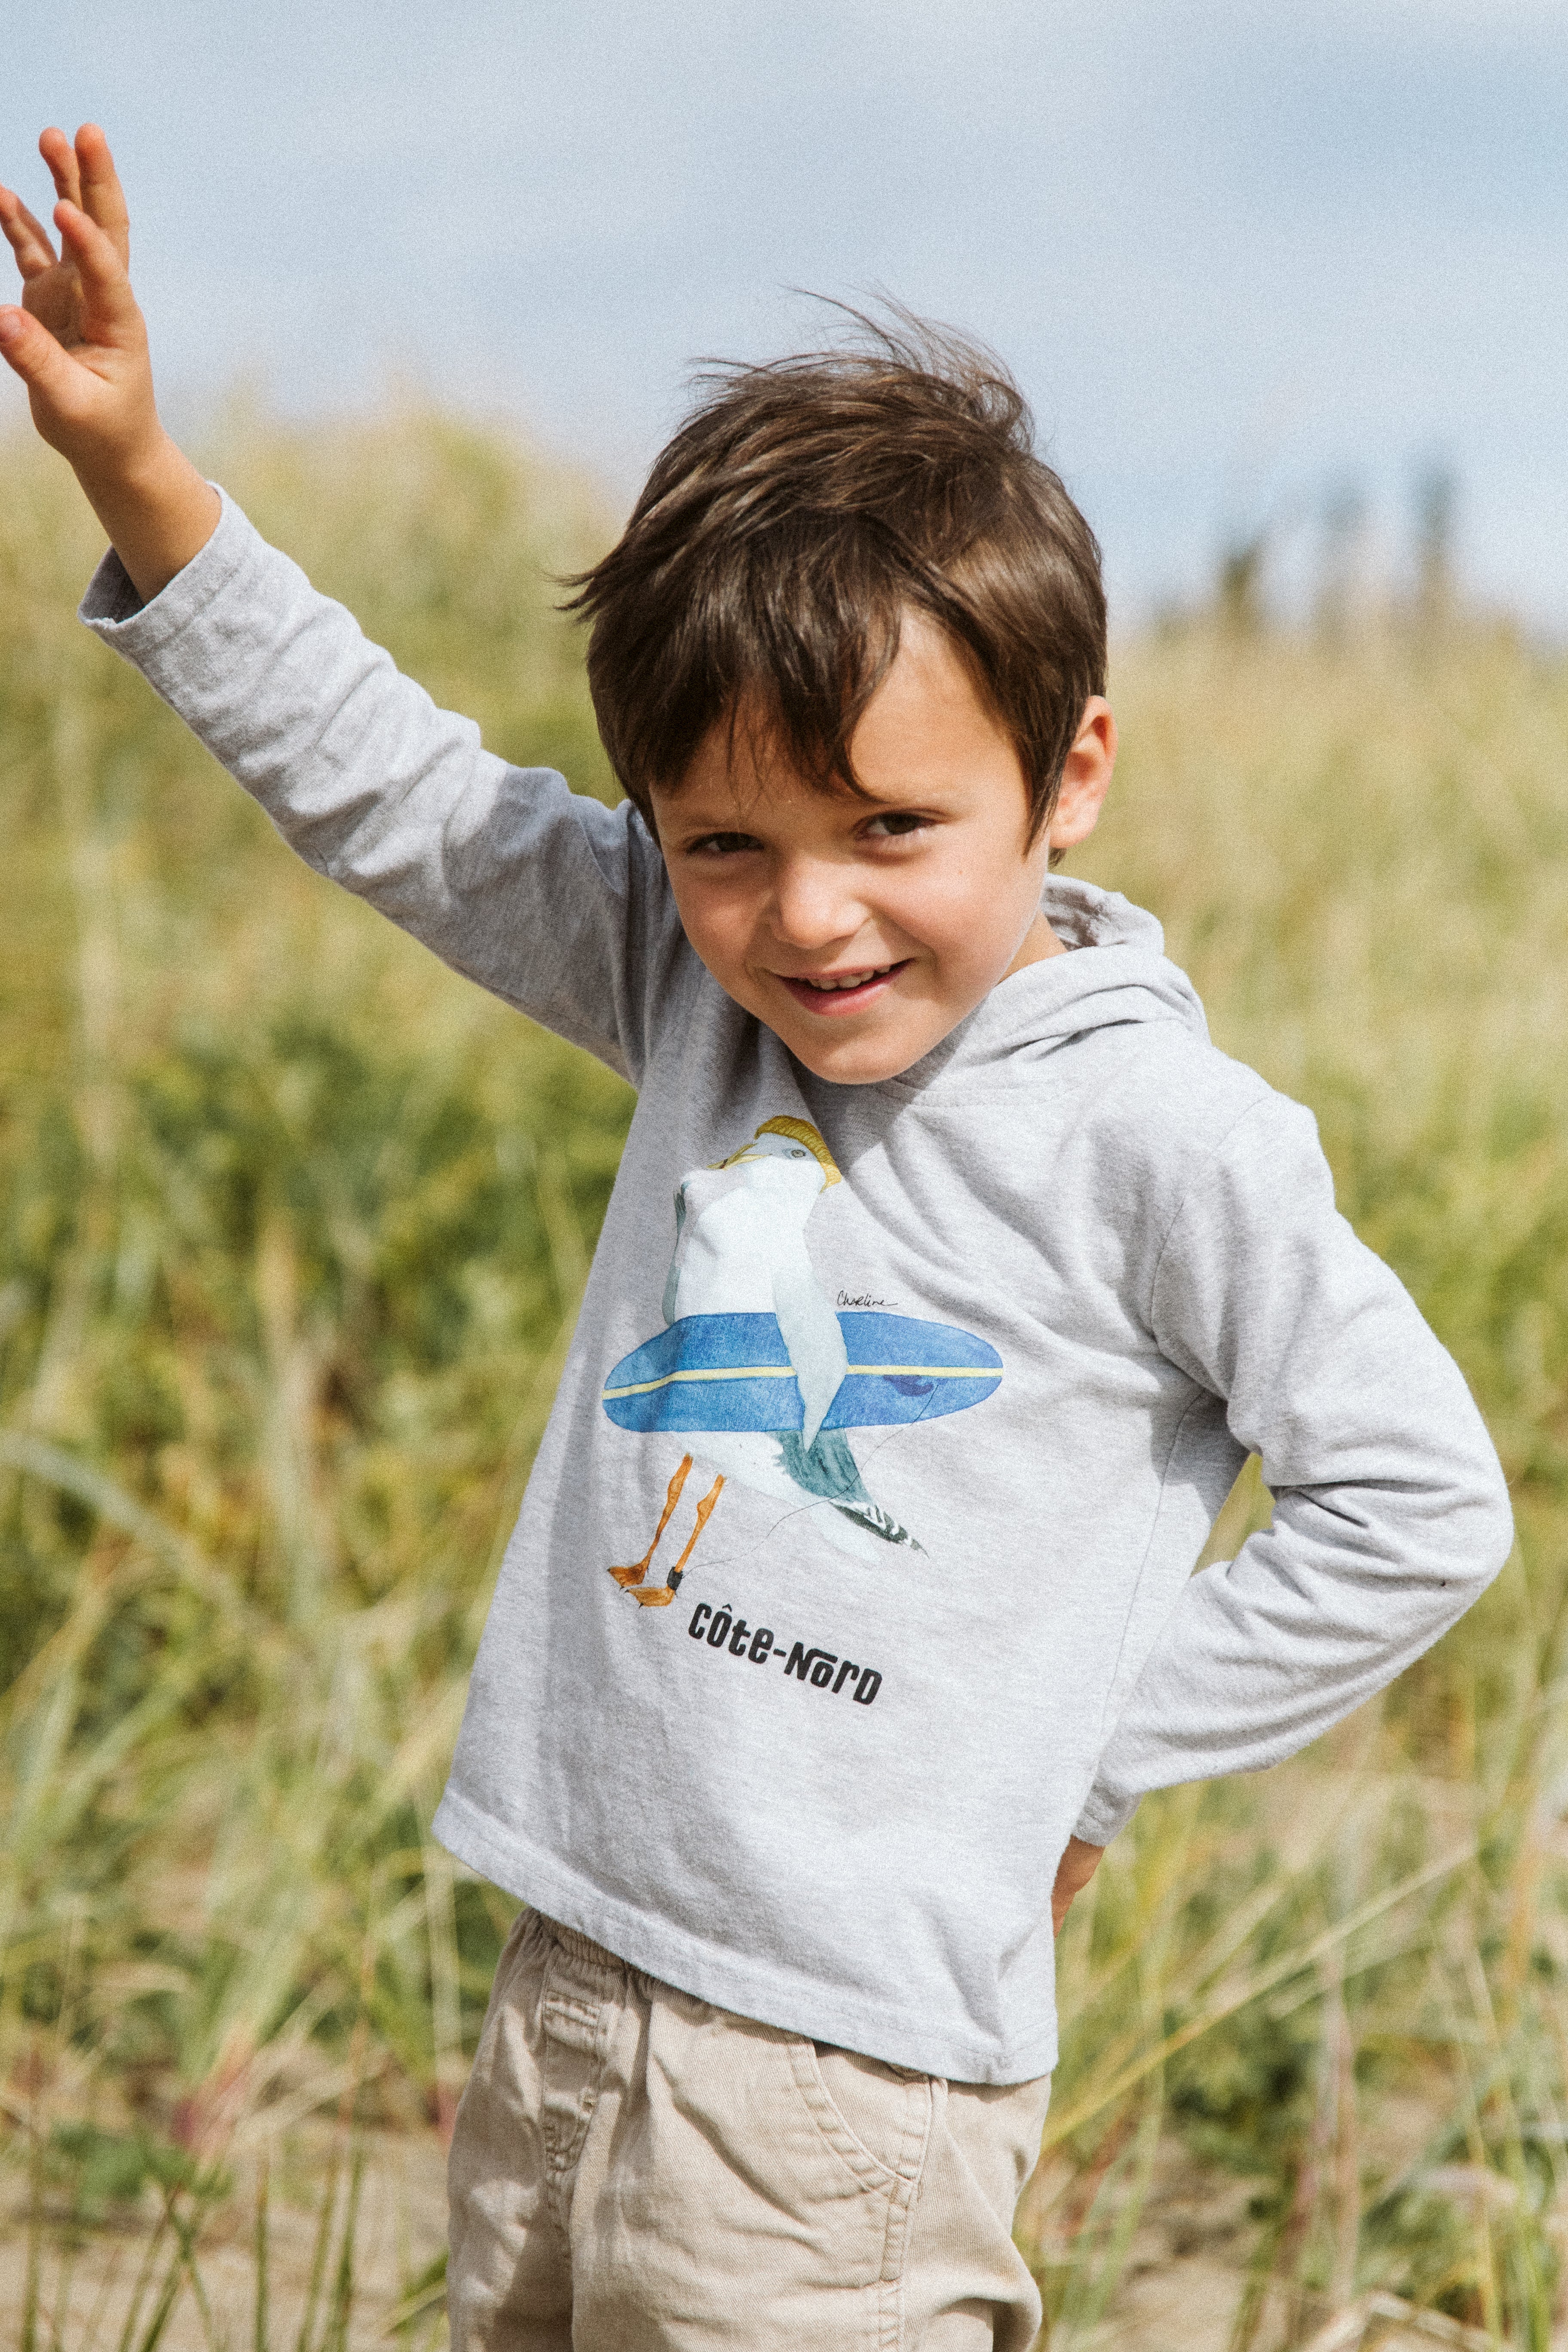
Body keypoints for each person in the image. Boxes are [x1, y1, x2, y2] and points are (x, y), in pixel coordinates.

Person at [0, 124, 1513, 2352]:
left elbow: (1423, 1501)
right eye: (723, 841)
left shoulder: (1165, 1137)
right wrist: (136, 467)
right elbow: (401, 796)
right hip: (566, 1979)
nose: (805, 916)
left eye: (894, 827)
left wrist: (1088, 1743)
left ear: (1067, 770)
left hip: (848, 2090)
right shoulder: (688, 985)